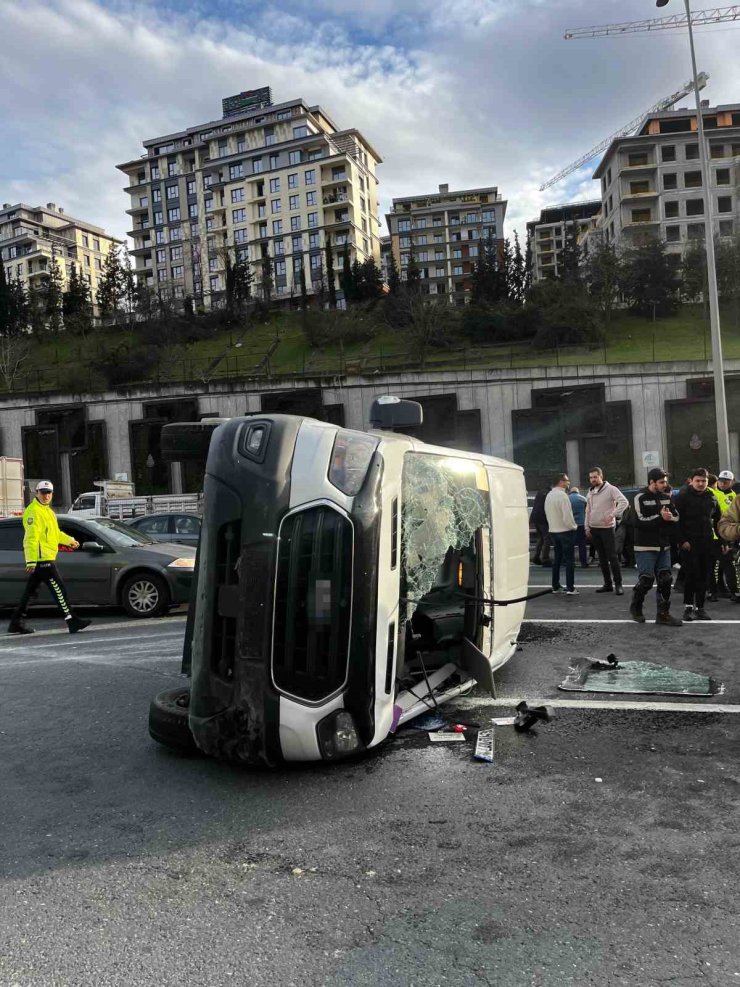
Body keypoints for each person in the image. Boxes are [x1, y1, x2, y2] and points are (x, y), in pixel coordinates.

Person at [7, 480, 92, 635]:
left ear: (52, 494)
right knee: (59, 589)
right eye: (43, 492)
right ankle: (72, 620)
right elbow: (31, 538)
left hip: (45, 558)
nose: (46, 496)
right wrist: (31, 561)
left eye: (49, 492)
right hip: (42, 560)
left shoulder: (48, 512)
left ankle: (16, 623)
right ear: (37, 493)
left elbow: (55, 534)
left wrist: (70, 541)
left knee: (30, 593)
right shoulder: (33, 511)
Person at [629, 468, 682, 626]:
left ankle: (663, 614)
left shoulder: (666, 497)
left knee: (665, 579)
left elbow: (676, 516)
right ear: (652, 482)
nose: (665, 484)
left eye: (665, 481)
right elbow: (638, 521)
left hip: (663, 546)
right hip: (644, 546)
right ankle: (636, 607)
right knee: (646, 580)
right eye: (661, 482)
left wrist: (670, 518)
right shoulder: (640, 497)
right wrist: (661, 518)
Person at [674, 468, 720, 622]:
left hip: (707, 542)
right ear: (691, 481)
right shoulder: (682, 497)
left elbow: (719, 521)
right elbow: (676, 522)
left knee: (704, 576)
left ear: (708, 482)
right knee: (691, 576)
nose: (701, 483)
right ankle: (688, 609)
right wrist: (682, 541)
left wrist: (723, 541)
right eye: (698, 480)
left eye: (704, 481)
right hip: (689, 543)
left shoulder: (711, 496)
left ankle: (700, 608)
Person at [585, 466, 629, 596]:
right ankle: (607, 584)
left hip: (607, 528)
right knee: (602, 558)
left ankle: (618, 584)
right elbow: (588, 510)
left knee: (612, 557)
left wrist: (613, 514)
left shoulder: (611, 489)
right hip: (594, 528)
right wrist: (587, 527)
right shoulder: (590, 492)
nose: (593, 479)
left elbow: (624, 502)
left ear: (601, 476)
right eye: (591, 477)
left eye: (595, 477)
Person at [544, 473, 578, 595]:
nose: (568, 482)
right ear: (561, 481)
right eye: (567, 480)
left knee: (557, 560)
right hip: (565, 531)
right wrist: (573, 527)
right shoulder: (563, 496)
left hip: (553, 531)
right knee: (569, 560)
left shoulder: (549, 495)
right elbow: (567, 516)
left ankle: (556, 585)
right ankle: (570, 588)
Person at [708, 471, 737, 602]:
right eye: (721, 480)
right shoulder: (712, 493)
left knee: (726, 564)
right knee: (715, 565)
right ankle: (714, 591)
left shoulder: (733, 495)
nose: (723, 483)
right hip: (714, 535)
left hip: (728, 534)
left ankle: (727, 590)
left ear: (732, 482)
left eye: (726, 481)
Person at [568, 485, 589, 568]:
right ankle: (583, 562)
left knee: (570, 545)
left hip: (570, 525)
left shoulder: (567, 498)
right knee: (582, 544)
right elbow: (588, 511)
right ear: (578, 492)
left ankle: (571, 563)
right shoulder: (583, 499)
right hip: (581, 524)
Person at [530, 488, 551, 566]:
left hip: (535, 518)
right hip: (543, 518)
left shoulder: (540, 492)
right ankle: (545, 559)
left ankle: (536, 557)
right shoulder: (549, 493)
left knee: (541, 538)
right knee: (547, 538)